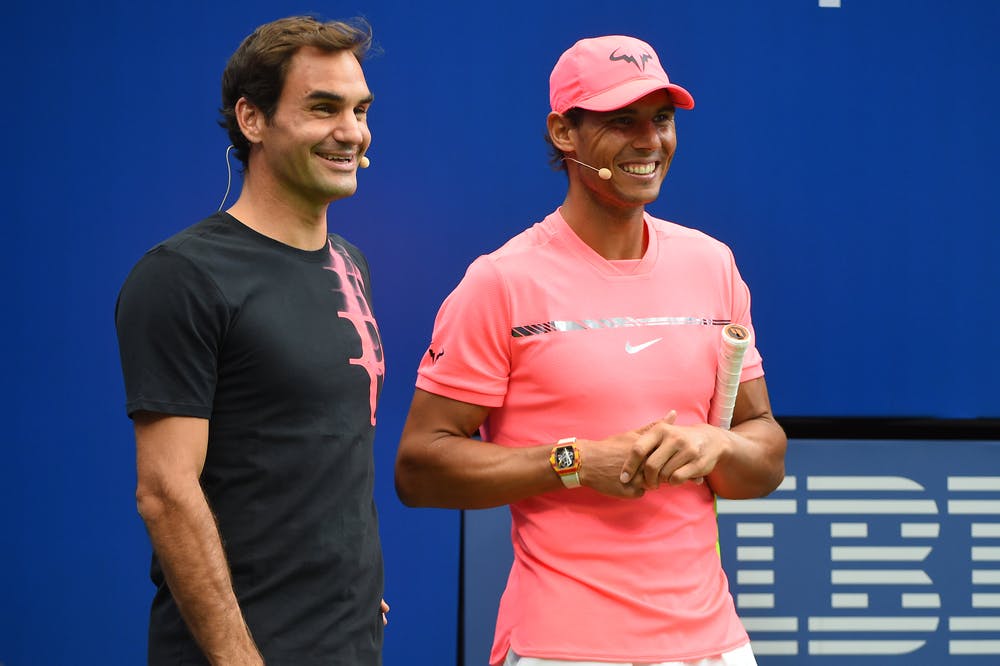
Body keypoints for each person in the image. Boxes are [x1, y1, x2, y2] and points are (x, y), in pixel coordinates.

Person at [395, 35, 787, 666]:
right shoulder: (500, 281)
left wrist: (718, 446)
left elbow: (763, 452)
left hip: (715, 647)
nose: (649, 142)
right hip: (560, 647)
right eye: (621, 122)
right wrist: (573, 461)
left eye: (661, 120)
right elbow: (418, 468)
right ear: (564, 133)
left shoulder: (713, 266)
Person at [115, 15, 387, 665]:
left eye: (359, 109)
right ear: (252, 119)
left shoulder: (350, 262)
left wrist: (353, 589)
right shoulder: (182, 276)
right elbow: (165, 492)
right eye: (323, 108)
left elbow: (324, 451)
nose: (351, 131)